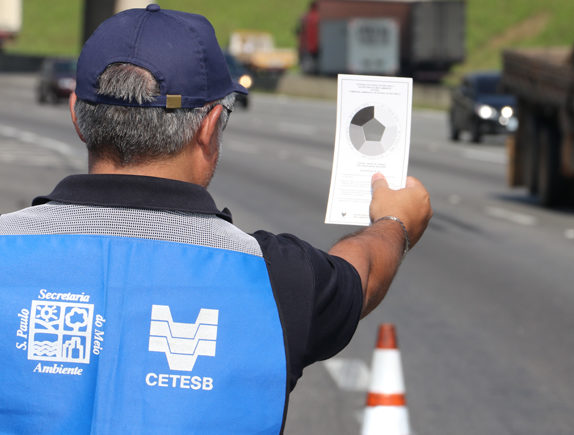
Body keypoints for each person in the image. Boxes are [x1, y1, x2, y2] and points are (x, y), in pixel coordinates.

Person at [0, 5, 431, 433]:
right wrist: (394, 221)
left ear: (76, 113)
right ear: (209, 126)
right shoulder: (276, 278)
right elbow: (364, 273)